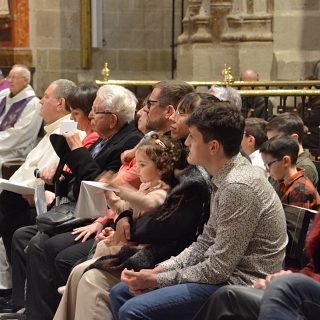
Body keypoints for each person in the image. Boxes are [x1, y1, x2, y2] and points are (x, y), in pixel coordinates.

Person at [110, 100, 287, 320]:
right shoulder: (225, 177)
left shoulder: (238, 185)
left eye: (192, 136)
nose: (187, 143)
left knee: (132, 308)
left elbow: (218, 270)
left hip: (238, 287)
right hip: (222, 278)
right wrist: (160, 270)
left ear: (213, 147)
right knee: (121, 292)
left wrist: (157, 280)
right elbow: (204, 243)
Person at [52, 97, 213, 320]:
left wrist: (127, 226)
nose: (173, 118)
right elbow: (130, 206)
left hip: (161, 250)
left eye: (182, 113)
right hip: (144, 239)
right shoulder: (176, 153)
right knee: (78, 269)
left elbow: (169, 222)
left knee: (90, 277)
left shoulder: (194, 172)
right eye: (175, 112)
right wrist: (122, 219)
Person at [10, 84, 143, 320]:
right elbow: (71, 176)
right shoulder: (102, 138)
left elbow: (98, 186)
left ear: (112, 119)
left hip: (97, 213)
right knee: (27, 234)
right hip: (82, 209)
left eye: (95, 111)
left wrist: (77, 149)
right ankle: (32, 310)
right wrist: (66, 157)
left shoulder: (126, 142)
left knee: (44, 243)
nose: (90, 116)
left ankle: (50, 313)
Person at [192, 205, 320, 320]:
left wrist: (287, 282)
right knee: (227, 297)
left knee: (286, 286)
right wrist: (284, 280)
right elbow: (313, 266)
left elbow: (219, 267)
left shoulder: (241, 187)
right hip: (302, 291)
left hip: (247, 278)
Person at [91, 132, 181, 260]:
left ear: (162, 169)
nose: (137, 169)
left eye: (142, 165)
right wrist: (108, 193)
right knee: (101, 246)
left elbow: (145, 202)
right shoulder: (145, 186)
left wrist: (120, 188)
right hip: (131, 240)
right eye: (137, 164)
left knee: (105, 252)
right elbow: (124, 208)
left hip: (143, 249)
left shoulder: (163, 192)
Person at [0, 64, 43, 177]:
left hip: (16, 151)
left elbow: (20, 134)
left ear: (26, 80)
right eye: (9, 77)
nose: (10, 81)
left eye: (14, 78)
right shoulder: (4, 96)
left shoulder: (32, 103)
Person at [260, 133, 320, 211]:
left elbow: (295, 222)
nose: (266, 170)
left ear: (286, 161)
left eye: (268, 165)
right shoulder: (284, 182)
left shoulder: (300, 190)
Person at [266, 112, 318, 192]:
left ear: (294, 139)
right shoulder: (282, 160)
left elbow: (292, 200)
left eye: (274, 141)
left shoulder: (303, 167)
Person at [66, 84, 99, 148]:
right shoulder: (91, 135)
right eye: (71, 112)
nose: (71, 118)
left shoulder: (94, 138)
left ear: (91, 112)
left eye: (76, 113)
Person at [297, 75, 320, 149]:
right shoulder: (308, 102)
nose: (304, 89)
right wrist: (301, 126)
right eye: (304, 86)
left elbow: (308, 119)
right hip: (307, 133)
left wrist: (302, 102)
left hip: (315, 136)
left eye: (308, 87)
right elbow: (299, 118)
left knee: (292, 139)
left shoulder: (318, 102)